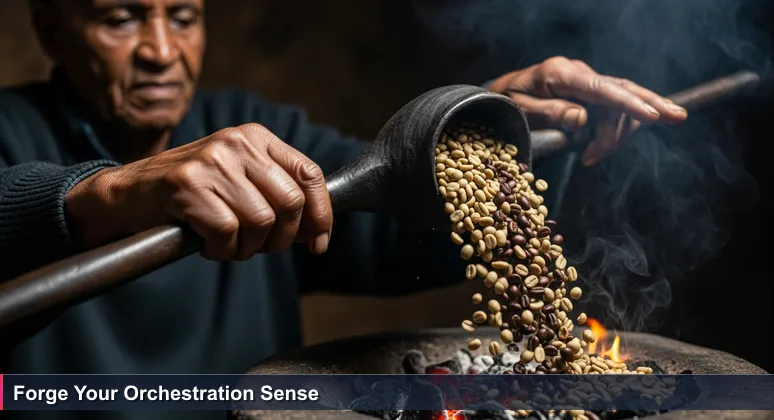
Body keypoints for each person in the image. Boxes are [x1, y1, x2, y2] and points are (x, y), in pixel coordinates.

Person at [0, 0, 686, 418]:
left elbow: (401, 230)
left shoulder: (252, 127)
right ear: (54, 32)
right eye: (121, 18)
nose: (160, 50)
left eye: (183, 17)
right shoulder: (12, 128)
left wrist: (494, 137)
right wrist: (112, 192)